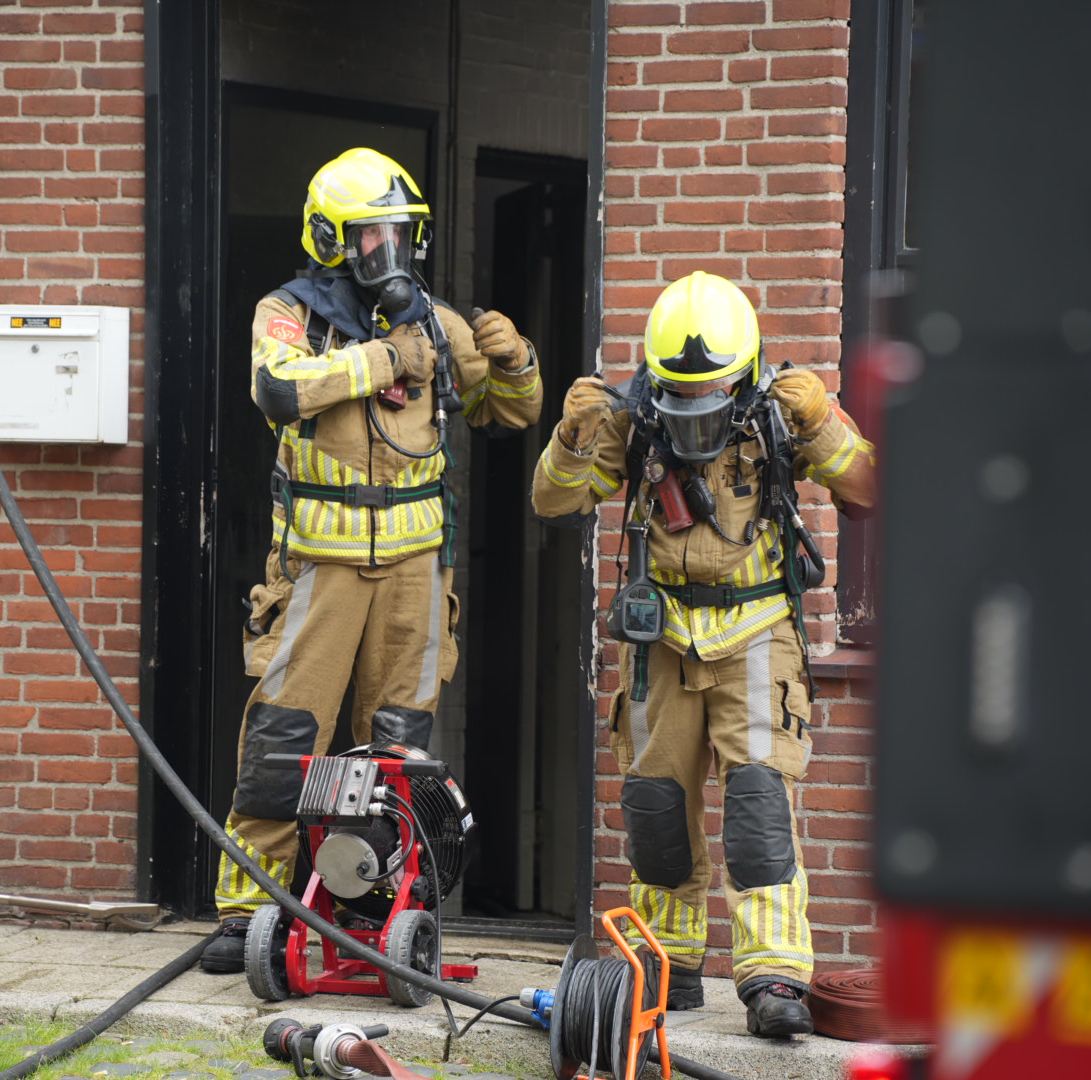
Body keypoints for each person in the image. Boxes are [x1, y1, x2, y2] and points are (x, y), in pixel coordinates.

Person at [201, 147, 544, 973]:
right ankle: (247, 908)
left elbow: (508, 412)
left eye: (399, 232)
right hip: (319, 564)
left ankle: (373, 906)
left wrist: (513, 358)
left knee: (396, 748)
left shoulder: (436, 320)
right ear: (331, 239)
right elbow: (278, 389)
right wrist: (388, 358)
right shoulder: (288, 312)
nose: (388, 250)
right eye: (370, 234)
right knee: (287, 736)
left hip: (416, 569)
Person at [530, 272, 874, 1036]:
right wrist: (570, 435)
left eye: (709, 394)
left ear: (744, 372)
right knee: (656, 813)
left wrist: (822, 423)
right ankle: (669, 964)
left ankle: (775, 976)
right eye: (678, 395)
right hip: (662, 639)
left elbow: (871, 486)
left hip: (755, 635)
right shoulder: (632, 420)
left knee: (758, 810)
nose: (692, 411)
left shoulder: (777, 417)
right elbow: (552, 501)